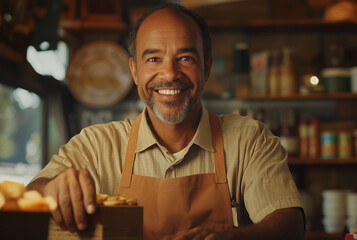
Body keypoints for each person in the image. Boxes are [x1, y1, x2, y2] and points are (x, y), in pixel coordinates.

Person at [27, 3, 305, 240]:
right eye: (153, 59)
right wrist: (51, 189)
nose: (169, 73)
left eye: (185, 58)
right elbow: (31, 194)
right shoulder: (97, 144)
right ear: (134, 71)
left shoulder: (250, 139)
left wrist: (232, 235)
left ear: (206, 68)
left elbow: (289, 223)